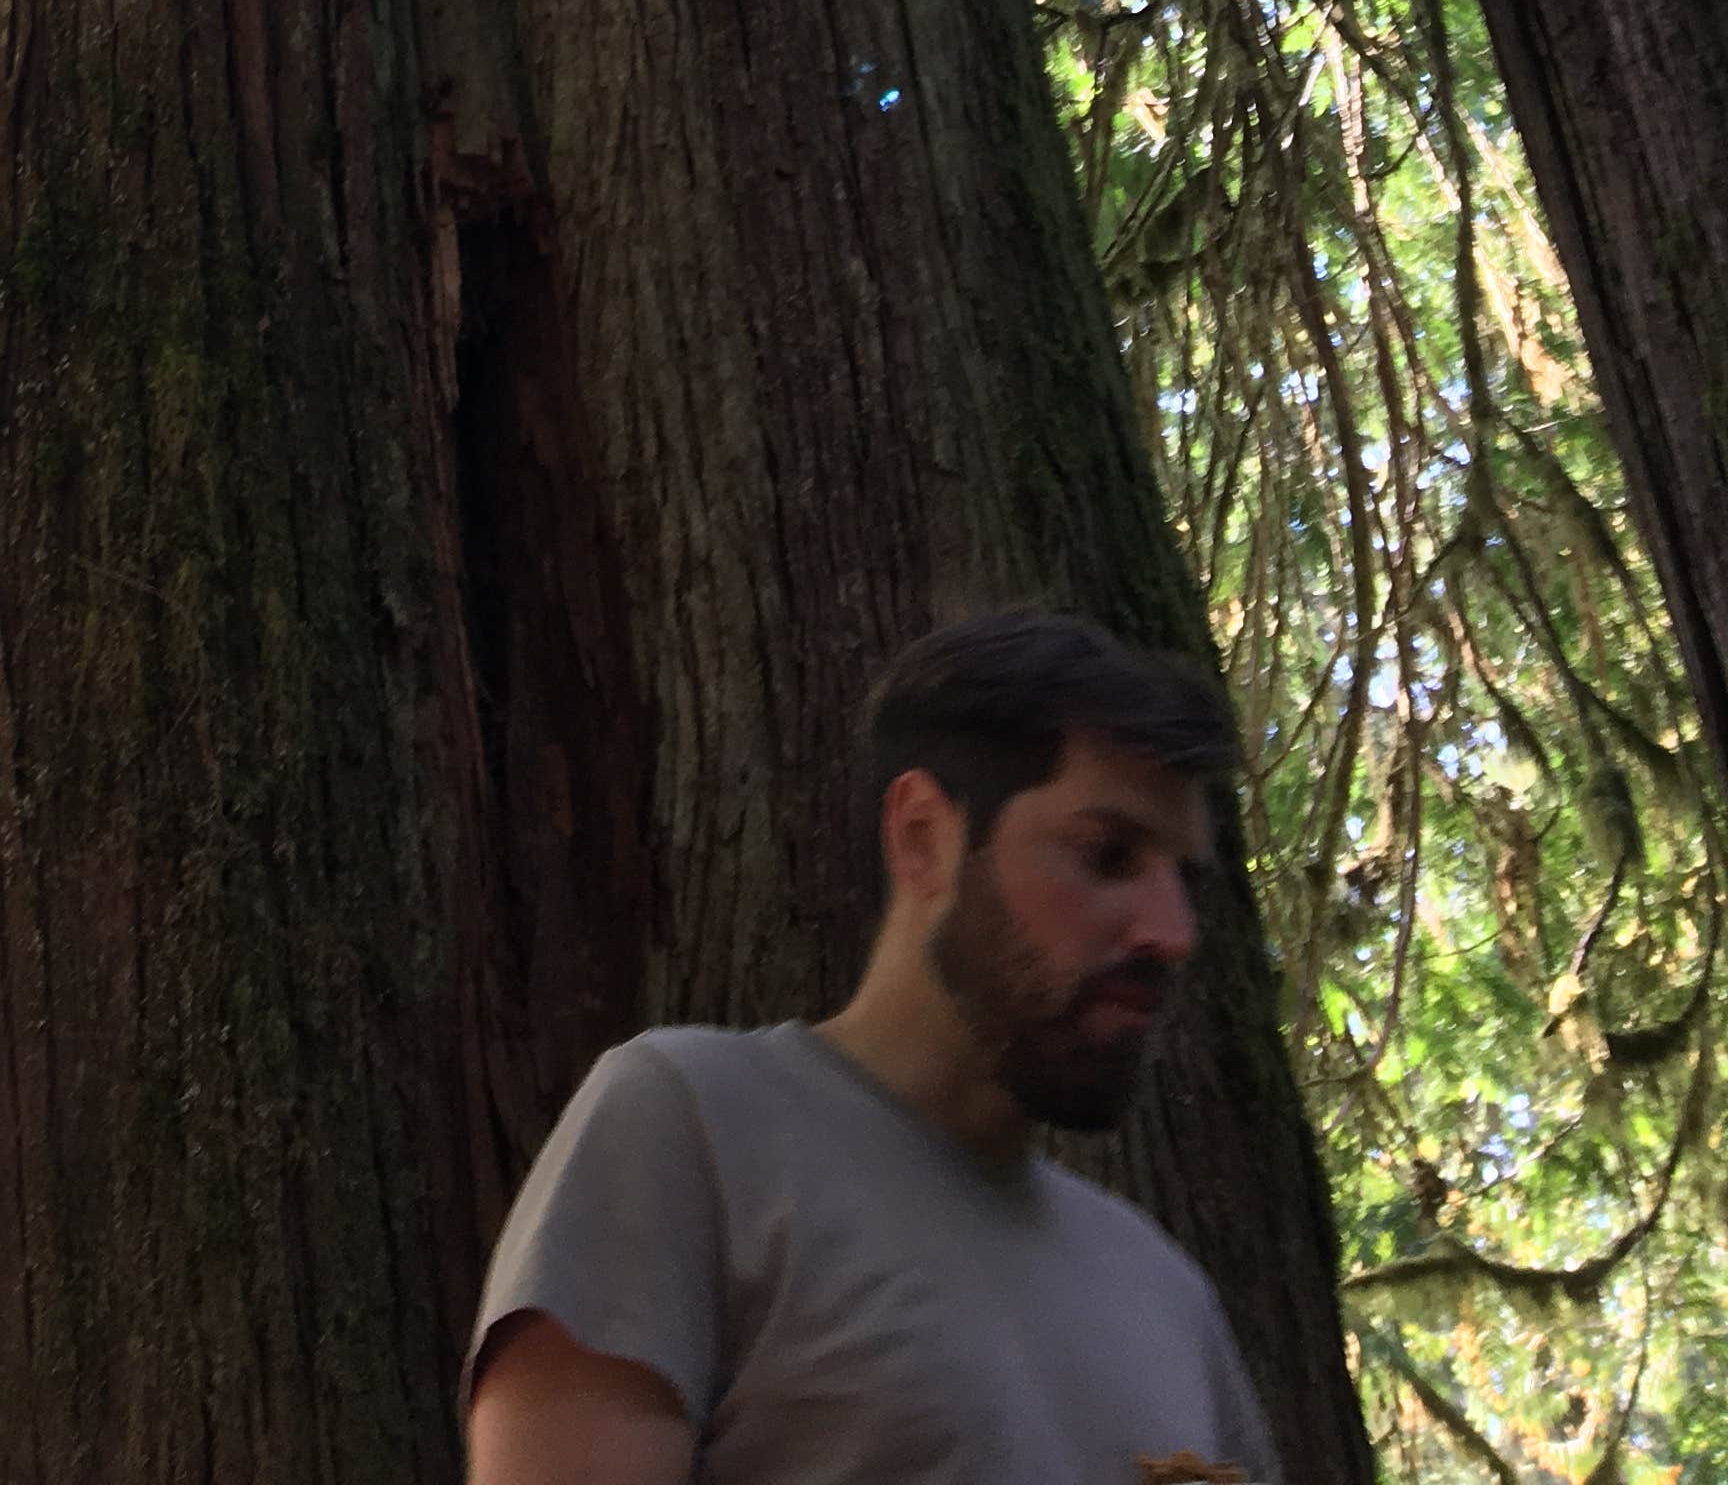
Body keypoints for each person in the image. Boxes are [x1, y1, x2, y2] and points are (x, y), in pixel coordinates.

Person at [463, 609, 1280, 1485]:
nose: (1174, 931)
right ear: (924, 835)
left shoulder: (1167, 1298)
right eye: (1108, 854)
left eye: (1185, 881)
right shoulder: (690, 1126)